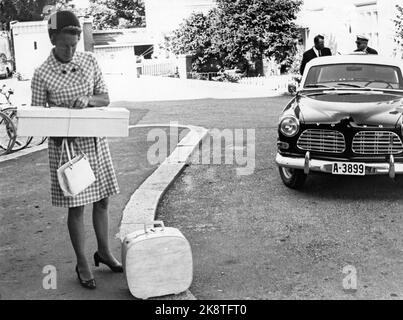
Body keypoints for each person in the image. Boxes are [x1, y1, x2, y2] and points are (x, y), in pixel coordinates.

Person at [31, 10, 123, 290]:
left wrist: (89, 99)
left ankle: (104, 252)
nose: (71, 50)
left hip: (94, 142)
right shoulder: (41, 74)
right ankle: (82, 261)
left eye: (74, 44)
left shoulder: (89, 60)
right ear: (52, 39)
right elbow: (37, 117)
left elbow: (105, 98)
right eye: (64, 45)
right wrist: (61, 120)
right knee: (77, 207)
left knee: (104, 200)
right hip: (65, 150)